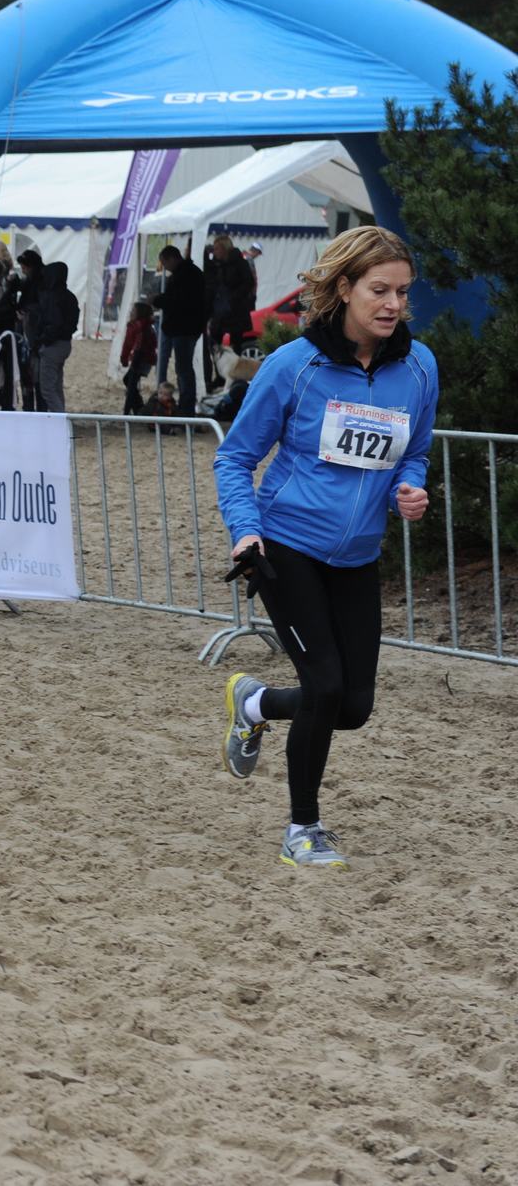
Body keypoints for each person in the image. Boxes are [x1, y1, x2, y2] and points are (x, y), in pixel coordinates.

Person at [214, 227, 436, 871]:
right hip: (286, 548)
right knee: (326, 684)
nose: (394, 304)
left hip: (358, 556)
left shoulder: (418, 367)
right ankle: (303, 829)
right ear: (343, 288)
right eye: (379, 290)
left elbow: (415, 451)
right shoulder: (295, 366)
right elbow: (235, 458)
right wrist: (246, 531)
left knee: (354, 707)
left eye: (402, 292)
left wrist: (410, 489)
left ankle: (255, 703)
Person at [152, 244, 208, 415]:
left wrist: (157, 300)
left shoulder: (184, 275)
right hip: (187, 328)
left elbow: (176, 301)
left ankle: (186, 408)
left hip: (183, 328)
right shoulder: (190, 273)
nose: (165, 267)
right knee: (183, 368)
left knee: (184, 370)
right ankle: (185, 405)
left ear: (172, 259)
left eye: (165, 263)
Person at [204, 232, 256, 391]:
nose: (215, 252)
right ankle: (220, 376)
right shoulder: (217, 265)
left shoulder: (240, 263)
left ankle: (235, 377)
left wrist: (233, 298)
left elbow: (248, 283)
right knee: (215, 344)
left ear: (225, 248)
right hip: (220, 311)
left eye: (217, 248)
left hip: (235, 311)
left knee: (236, 345)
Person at [29, 260, 76, 412]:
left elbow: (53, 323)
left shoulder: (53, 298)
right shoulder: (70, 297)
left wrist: (42, 340)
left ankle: (60, 419)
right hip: (64, 344)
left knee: (48, 389)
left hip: (52, 345)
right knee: (56, 386)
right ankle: (61, 417)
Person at [119, 300, 157, 415]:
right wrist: (125, 358)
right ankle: (137, 408)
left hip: (141, 359)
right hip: (141, 358)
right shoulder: (139, 326)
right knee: (129, 382)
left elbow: (137, 345)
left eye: (133, 310)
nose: (131, 312)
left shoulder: (140, 327)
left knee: (130, 384)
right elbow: (128, 344)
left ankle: (131, 410)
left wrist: (128, 358)